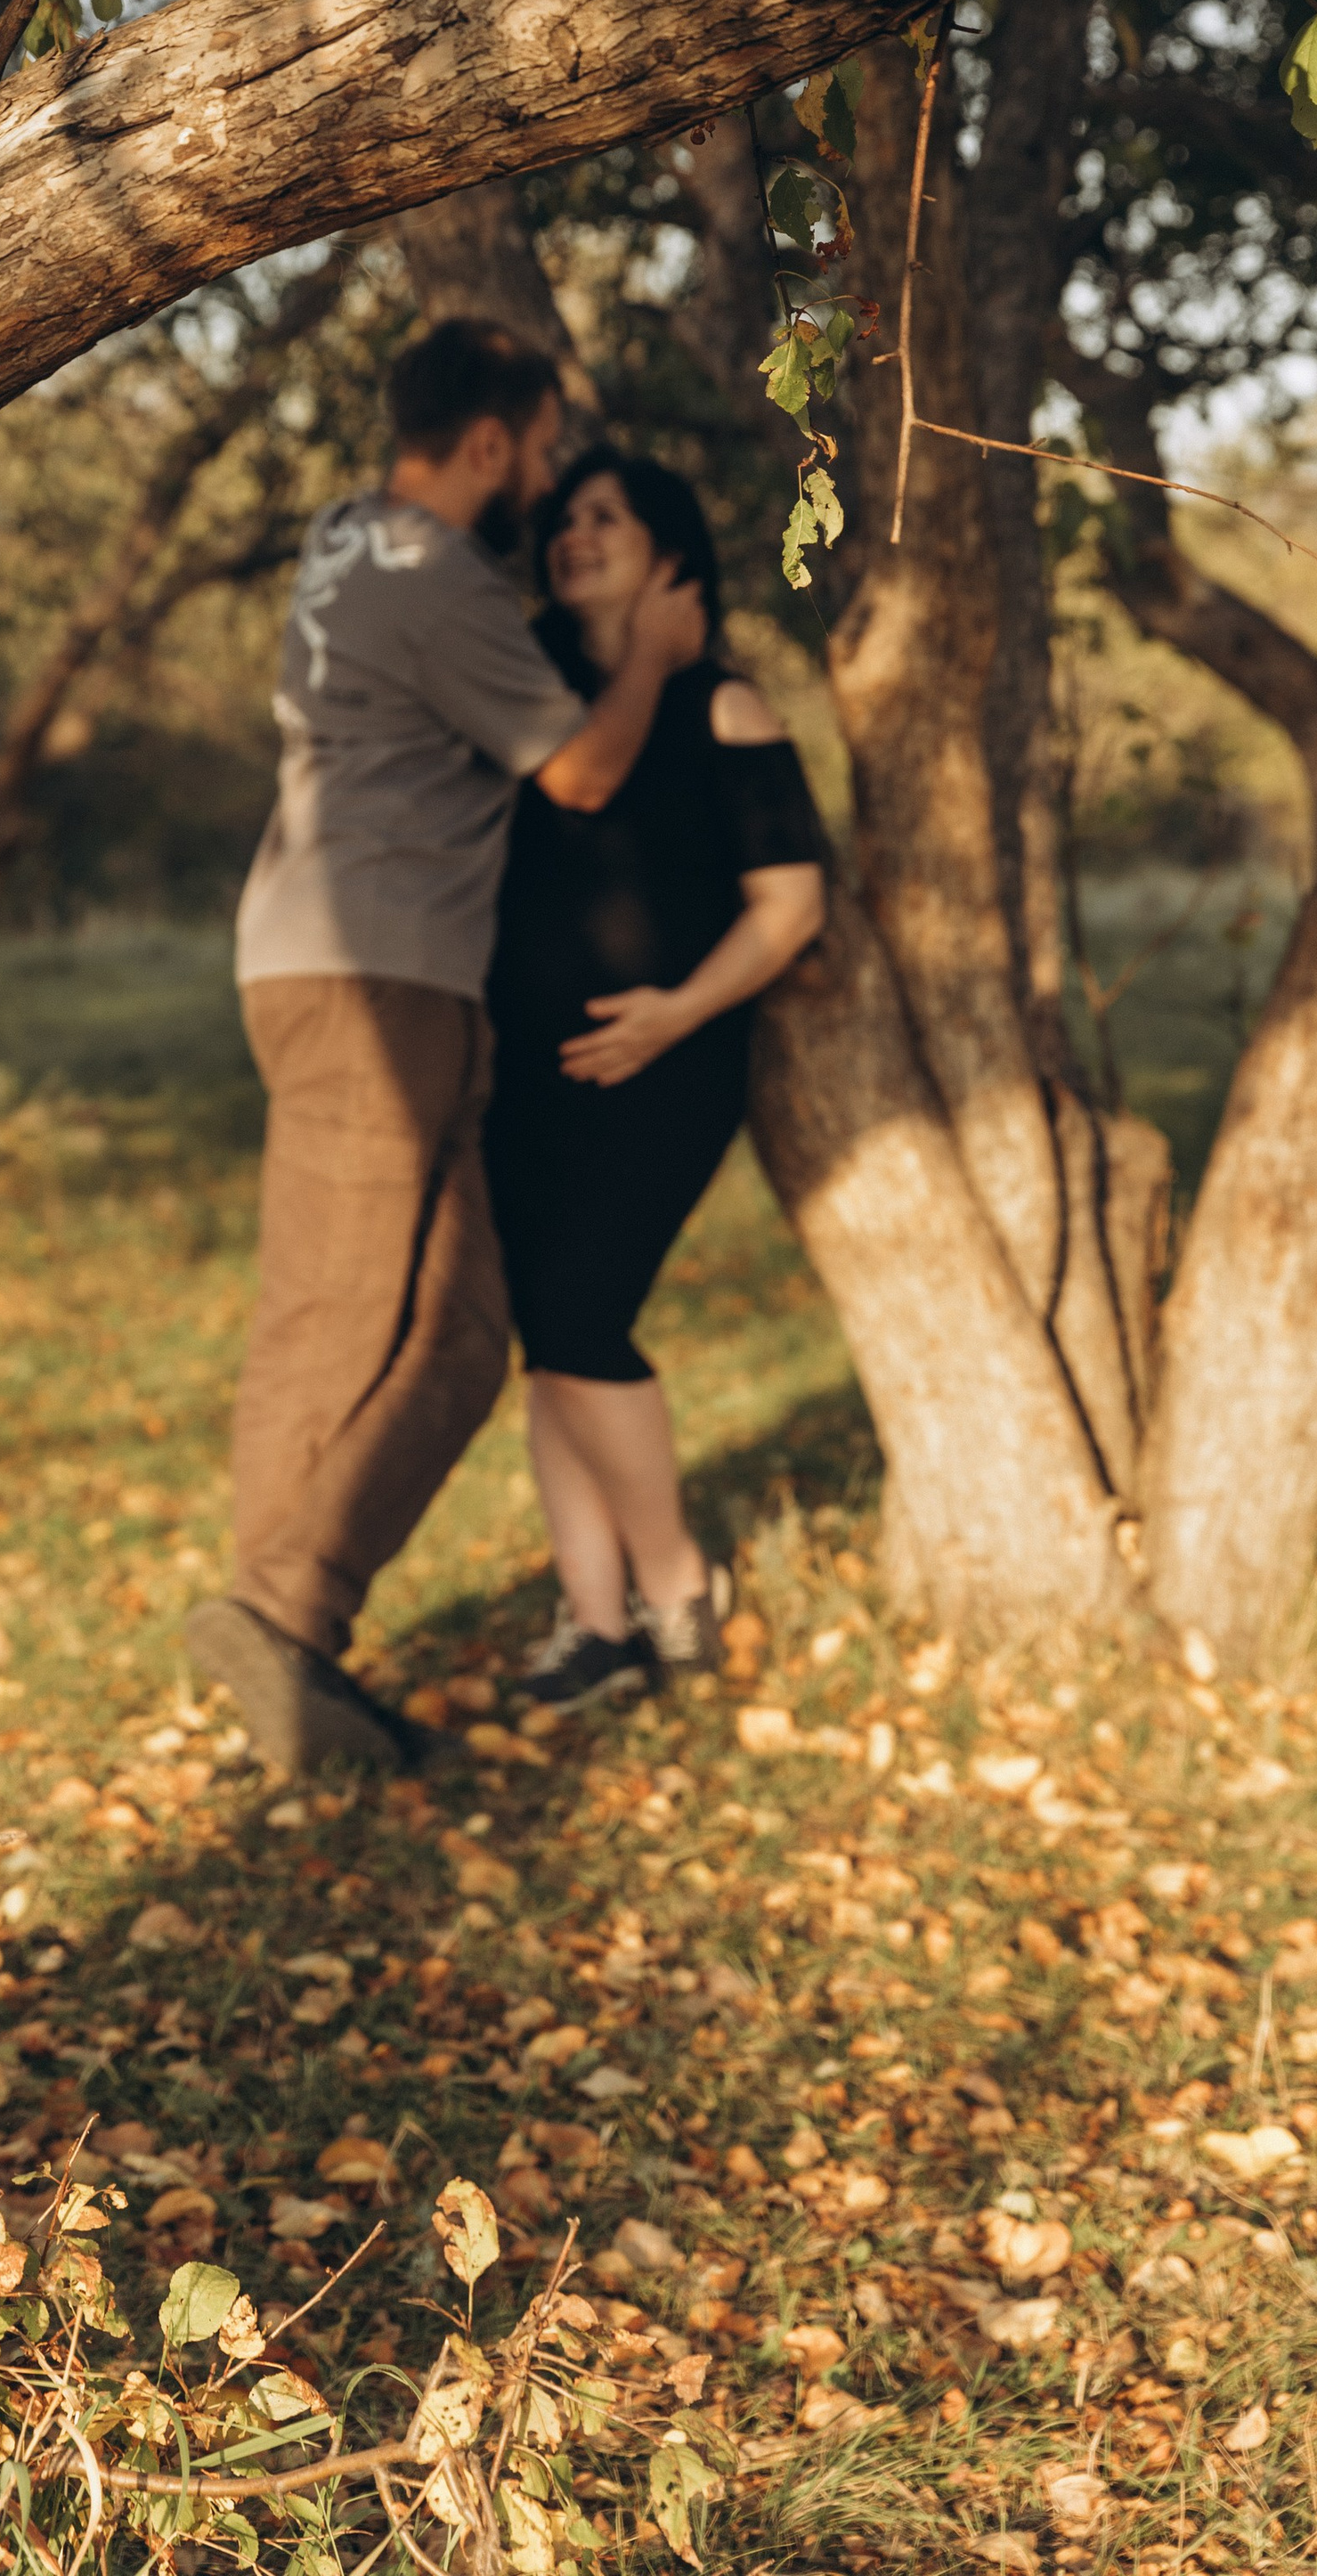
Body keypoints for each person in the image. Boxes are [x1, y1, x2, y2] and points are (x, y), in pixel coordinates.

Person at [186, 323, 706, 1772]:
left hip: (364, 962)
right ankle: (282, 1630)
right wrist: (655, 656)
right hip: (370, 971)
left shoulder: (345, 539)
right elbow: (586, 769)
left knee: (465, 1329)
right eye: (542, 451)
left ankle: (277, 1643)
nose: (546, 481)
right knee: (337, 1316)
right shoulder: (438, 577)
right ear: (491, 442)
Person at [483, 446, 828, 1712]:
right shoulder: (528, 699)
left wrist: (673, 1017)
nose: (574, 533)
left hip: (666, 1071)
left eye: (607, 518)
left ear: (672, 550)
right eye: (563, 519)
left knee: (579, 1320)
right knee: (550, 1345)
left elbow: (791, 906)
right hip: (521, 1076)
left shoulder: (723, 705)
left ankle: (677, 1589)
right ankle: (592, 1625)